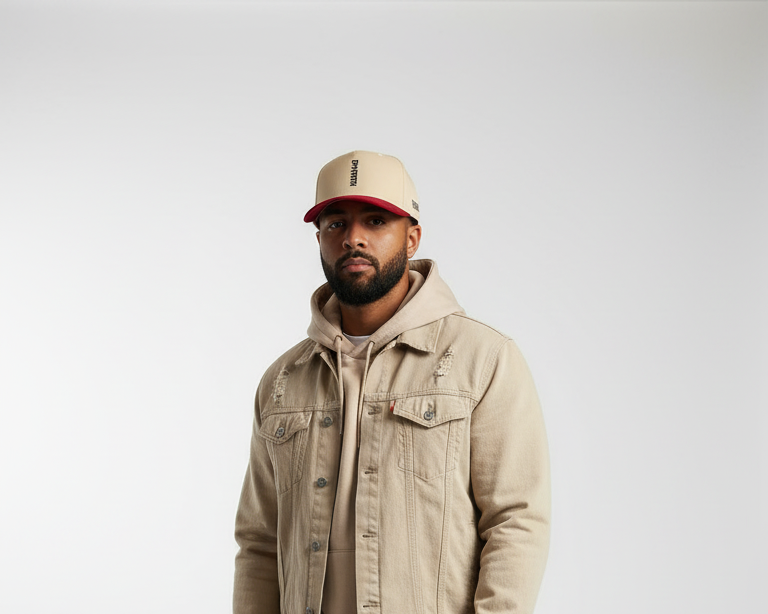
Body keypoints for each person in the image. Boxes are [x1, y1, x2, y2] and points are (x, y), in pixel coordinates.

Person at [233, 151, 550, 614]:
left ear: (412, 238)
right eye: (336, 224)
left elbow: (516, 522)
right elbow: (259, 541)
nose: (353, 238)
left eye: (376, 221)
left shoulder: (482, 359)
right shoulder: (283, 381)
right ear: (319, 239)